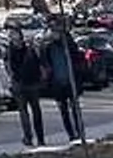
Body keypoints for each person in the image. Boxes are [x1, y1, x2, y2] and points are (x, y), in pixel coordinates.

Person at [36, 11, 88, 141]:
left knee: (75, 109)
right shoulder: (48, 47)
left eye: (56, 29)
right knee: (64, 110)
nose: (54, 32)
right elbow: (44, 62)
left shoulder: (68, 42)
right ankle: (71, 134)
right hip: (57, 82)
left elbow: (76, 56)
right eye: (52, 29)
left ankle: (80, 132)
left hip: (70, 80)